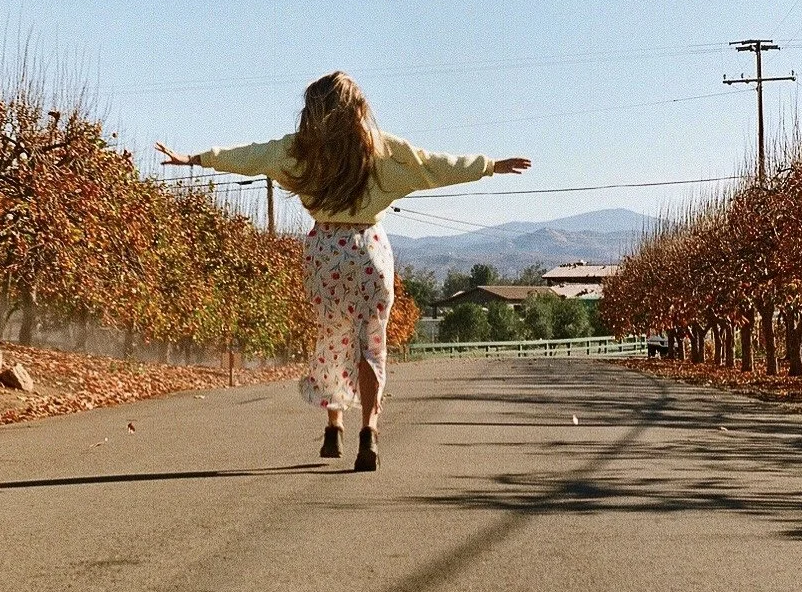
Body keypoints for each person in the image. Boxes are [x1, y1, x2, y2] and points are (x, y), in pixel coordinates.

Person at [156, 71, 530, 472]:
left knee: (333, 339)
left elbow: (249, 156)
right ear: (358, 109)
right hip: (369, 251)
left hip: (325, 252)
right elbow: (433, 165)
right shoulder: (381, 150)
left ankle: (334, 425)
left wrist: (196, 158)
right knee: (371, 345)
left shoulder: (298, 151)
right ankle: (368, 430)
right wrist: (488, 166)